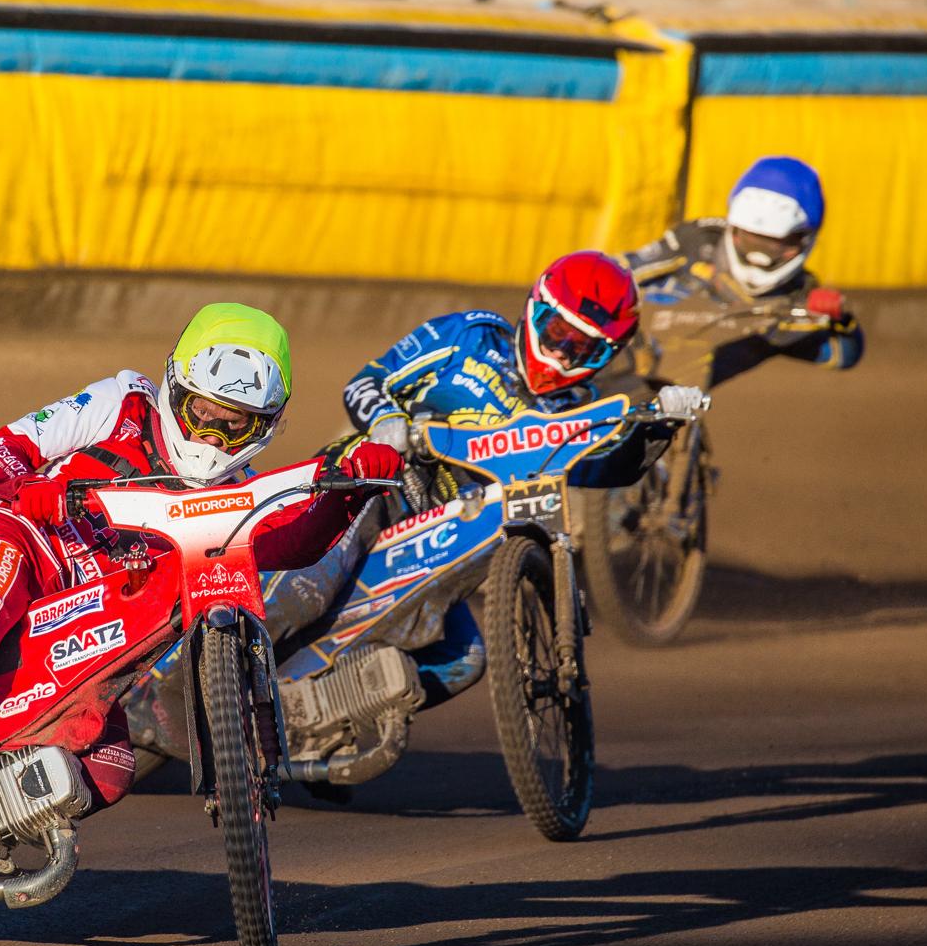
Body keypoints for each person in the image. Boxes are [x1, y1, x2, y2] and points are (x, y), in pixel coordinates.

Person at [0, 303, 403, 908]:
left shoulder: (230, 496)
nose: (215, 434)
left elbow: (286, 546)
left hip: (82, 620)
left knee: (109, 765)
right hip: (23, 543)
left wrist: (349, 495)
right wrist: (31, 488)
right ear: (173, 389)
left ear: (268, 425)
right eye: (203, 411)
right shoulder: (121, 401)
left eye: (238, 424)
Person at [322, 249, 702, 711]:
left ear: (607, 356)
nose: (563, 354)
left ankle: (328, 718)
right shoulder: (468, 336)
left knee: (462, 661)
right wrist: (386, 421)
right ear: (536, 309)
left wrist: (661, 425)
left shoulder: (575, 408)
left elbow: (600, 470)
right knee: (317, 581)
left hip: (440, 547)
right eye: (560, 332)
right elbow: (366, 382)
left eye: (583, 349)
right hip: (373, 488)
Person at [620, 155, 863, 385]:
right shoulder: (698, 240)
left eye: (778, 244)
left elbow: (841, 356)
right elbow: (612, 272)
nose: (761, 257)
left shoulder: (797, 299)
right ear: (733, 227)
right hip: (605, 363)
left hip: (662, 409)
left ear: (805, 240)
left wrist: (842, 319)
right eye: (753, 239)